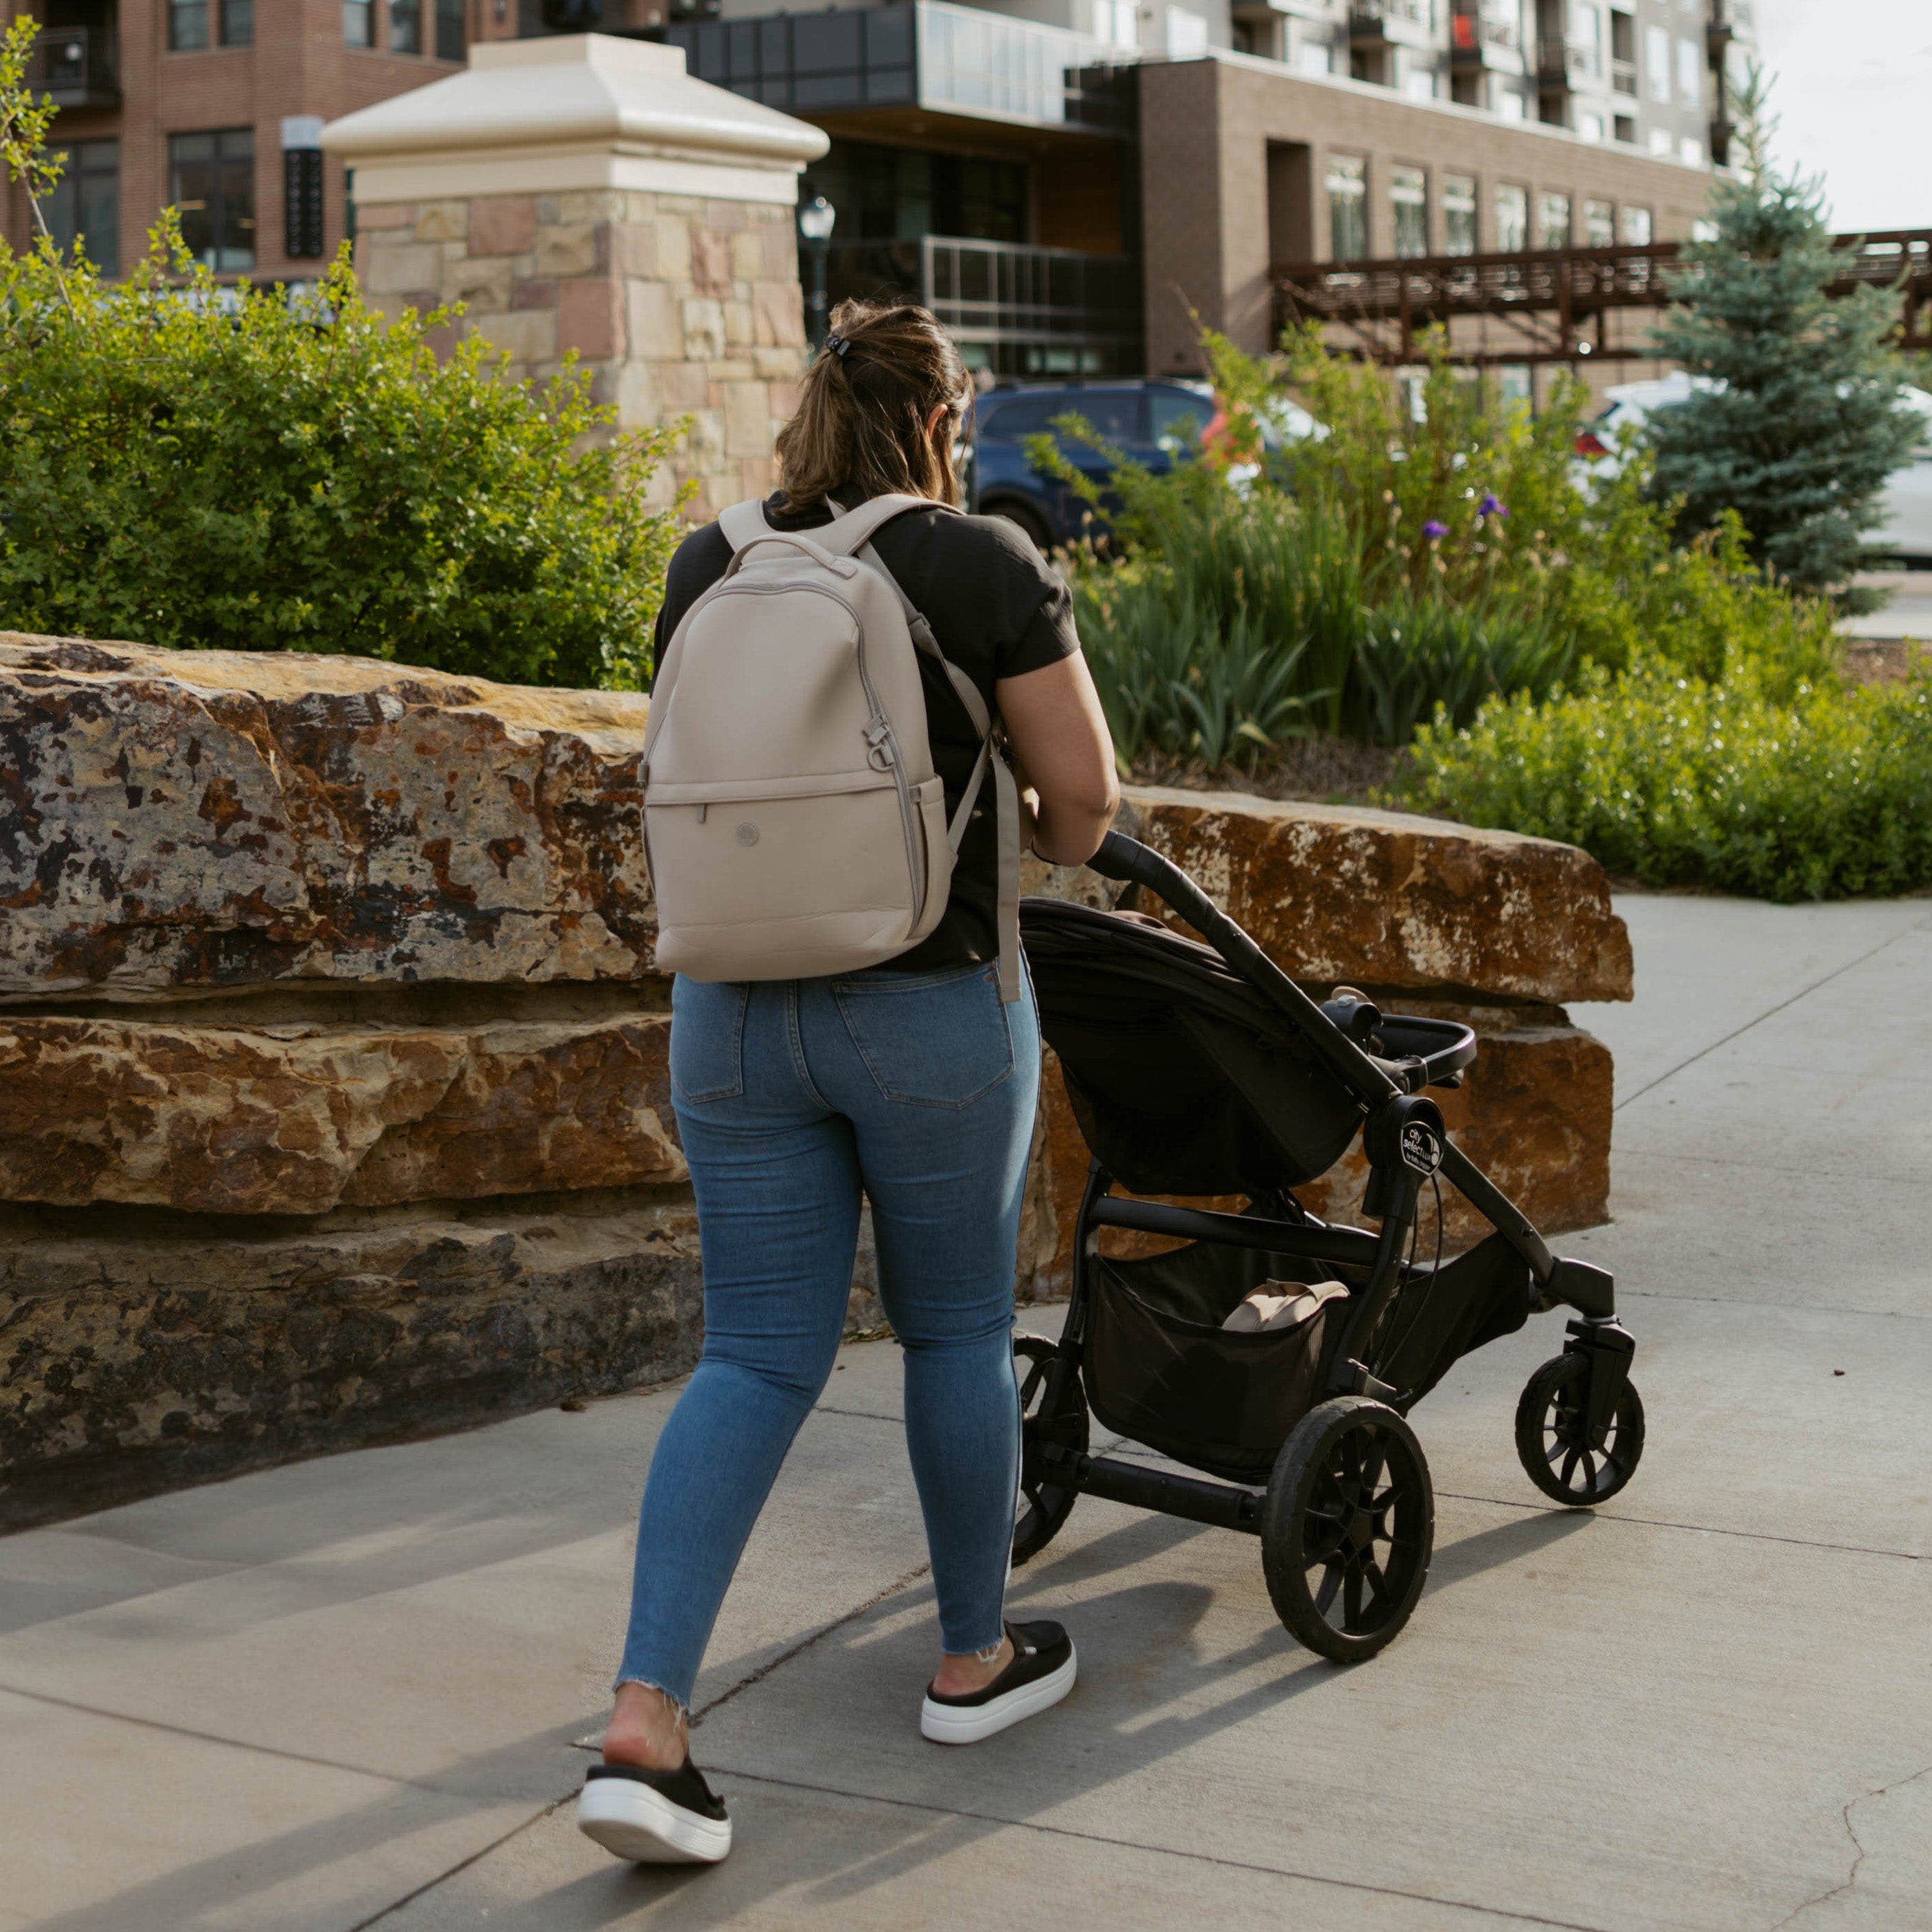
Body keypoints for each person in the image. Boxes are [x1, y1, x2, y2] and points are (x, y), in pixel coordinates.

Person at [576, 300, 1121, 1867]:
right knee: (951, 1325)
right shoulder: (979, 561)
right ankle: (969, 1658)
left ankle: (644, 1718)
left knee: (750, 1353)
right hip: (927, 1006)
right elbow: (1078, 808)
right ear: (944, 421)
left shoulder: (712, 559)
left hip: (729, 1012)